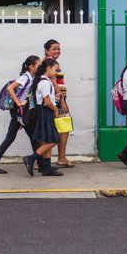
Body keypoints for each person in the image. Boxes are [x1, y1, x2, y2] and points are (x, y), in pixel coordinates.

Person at [0, 55, 40, 174]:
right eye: (39, 65)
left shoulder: (30, 77)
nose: (40, 66)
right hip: (18, 111)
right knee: (30, 136)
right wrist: (19, 104)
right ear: (31, 67)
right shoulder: (25, 77)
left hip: (20, 112)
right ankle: (40, 163)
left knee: (16, 137)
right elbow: (10, 88)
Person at [22, 58, 65, 177]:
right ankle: (31, 158)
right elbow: (47, 101)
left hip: (43, 113)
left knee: (46, 141)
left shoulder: (41, 80)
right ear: (49, 68)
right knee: (53, 140)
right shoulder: (45, 82)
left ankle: (46, 168)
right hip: (46, 113)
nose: (56, 73)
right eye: (56, 70)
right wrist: (56, 109)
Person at [43, 39, 75, 168]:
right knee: (62, 128)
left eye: (58, 49)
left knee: (61, 128)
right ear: (47, 50)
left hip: (58, 99)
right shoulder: (48, 64)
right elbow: (53, 82)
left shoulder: (51, 62)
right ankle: (57, 158)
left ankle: (58, 158)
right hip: (56, 100)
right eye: (54, 49)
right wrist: (61, 101)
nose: (57, 51)